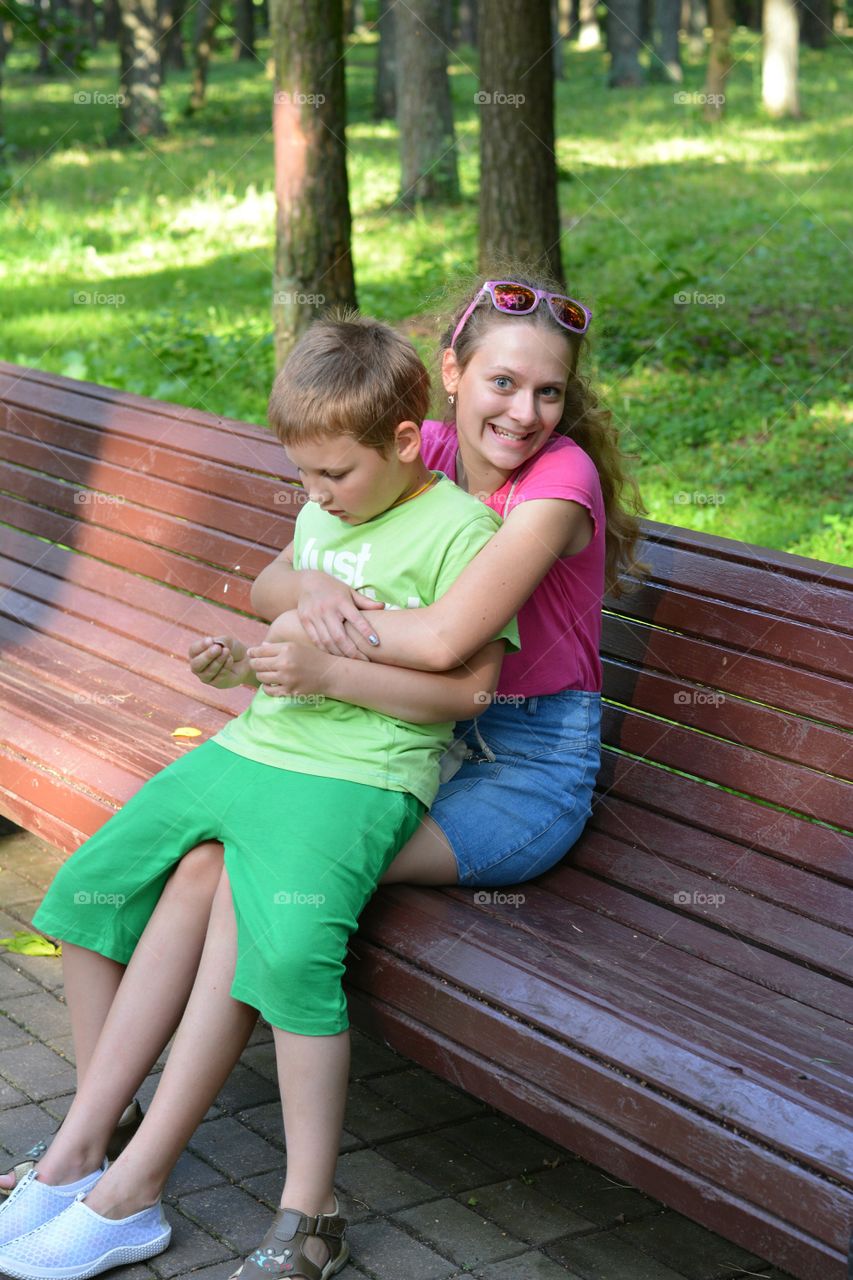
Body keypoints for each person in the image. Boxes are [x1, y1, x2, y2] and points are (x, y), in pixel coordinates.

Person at [0, 314, 517, 1280]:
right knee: (88, 892)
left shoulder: (465, 532)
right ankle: (89, 1134)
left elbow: (466, 693)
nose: (316, 496)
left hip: (358, 774)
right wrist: (256, 646)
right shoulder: (325, 514)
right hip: (256, 743)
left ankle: (307, 1209)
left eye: (333, 477)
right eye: (304, 479)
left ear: (406, 442)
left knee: (288, 962)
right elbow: (277, 622)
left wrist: (324, 661)